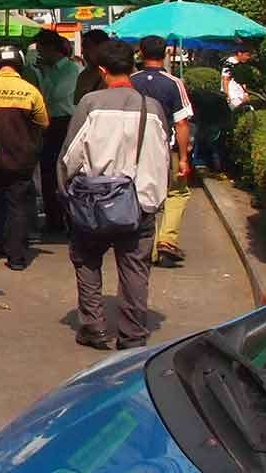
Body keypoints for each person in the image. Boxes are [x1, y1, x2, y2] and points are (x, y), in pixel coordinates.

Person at [60, 41, 171, 350]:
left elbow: (70, 156)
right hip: (139, 202)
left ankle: (94, 327)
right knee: (135, 268)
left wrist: (65, 190)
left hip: (92, 200)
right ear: (132, 68)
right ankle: (132, 335)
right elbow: (164, 156)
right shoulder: (152, 107)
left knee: (86, 261)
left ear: (102, 70)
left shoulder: (89, 104)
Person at [0, 46, 49, 271]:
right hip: (21, 159)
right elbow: (44, 123)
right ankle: (17, 258)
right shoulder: (31, 91)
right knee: (18, 208)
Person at [130, 36, 193, 268]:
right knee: (177, 192)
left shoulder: (131, 81)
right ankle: (166, 239)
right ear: (165, 53)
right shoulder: (173, 83)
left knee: (142, 194)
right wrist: (184, 156)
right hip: (167, 148)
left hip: (135, 148)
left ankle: (147, 245)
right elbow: (182, 123)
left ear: (140, 53)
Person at [31, 29, 81, 237]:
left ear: (52, 49)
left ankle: (70, 217)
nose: (40, 54)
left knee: (66, 170)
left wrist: (42, 75)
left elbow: (55, 96)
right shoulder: (47, 69)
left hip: (65, 122)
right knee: (47, 172)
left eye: (42, 49)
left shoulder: (71, 70)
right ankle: (54, 219)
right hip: (48, 123)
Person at [73, 30, 111, 105]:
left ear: (101, 47)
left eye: (86, 47)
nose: (82, 52)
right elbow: (79, 104)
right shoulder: (84, 76)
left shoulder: (119, 72)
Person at [221, 46, 252, 111]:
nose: (248, 58)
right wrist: (227, 95)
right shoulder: (230, 62)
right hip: (232, 96)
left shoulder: (243, 64)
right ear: (239, 53)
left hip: (240, 95)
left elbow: (243, 81)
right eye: (247, 55)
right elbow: (225, 79)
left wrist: (245, 94)